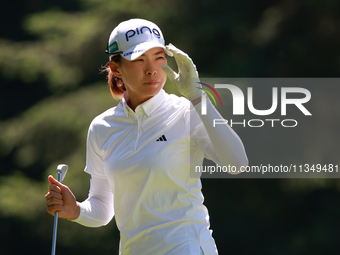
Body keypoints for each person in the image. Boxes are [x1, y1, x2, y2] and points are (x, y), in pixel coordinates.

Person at [45, 18, 248, 255]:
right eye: (139, 59)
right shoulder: (102, 127)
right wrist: (76, 210)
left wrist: (198, 97)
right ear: (116, 67)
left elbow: (237, 164)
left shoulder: (185, 112)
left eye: (158, 57)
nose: (151, 68)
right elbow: (102, 207)